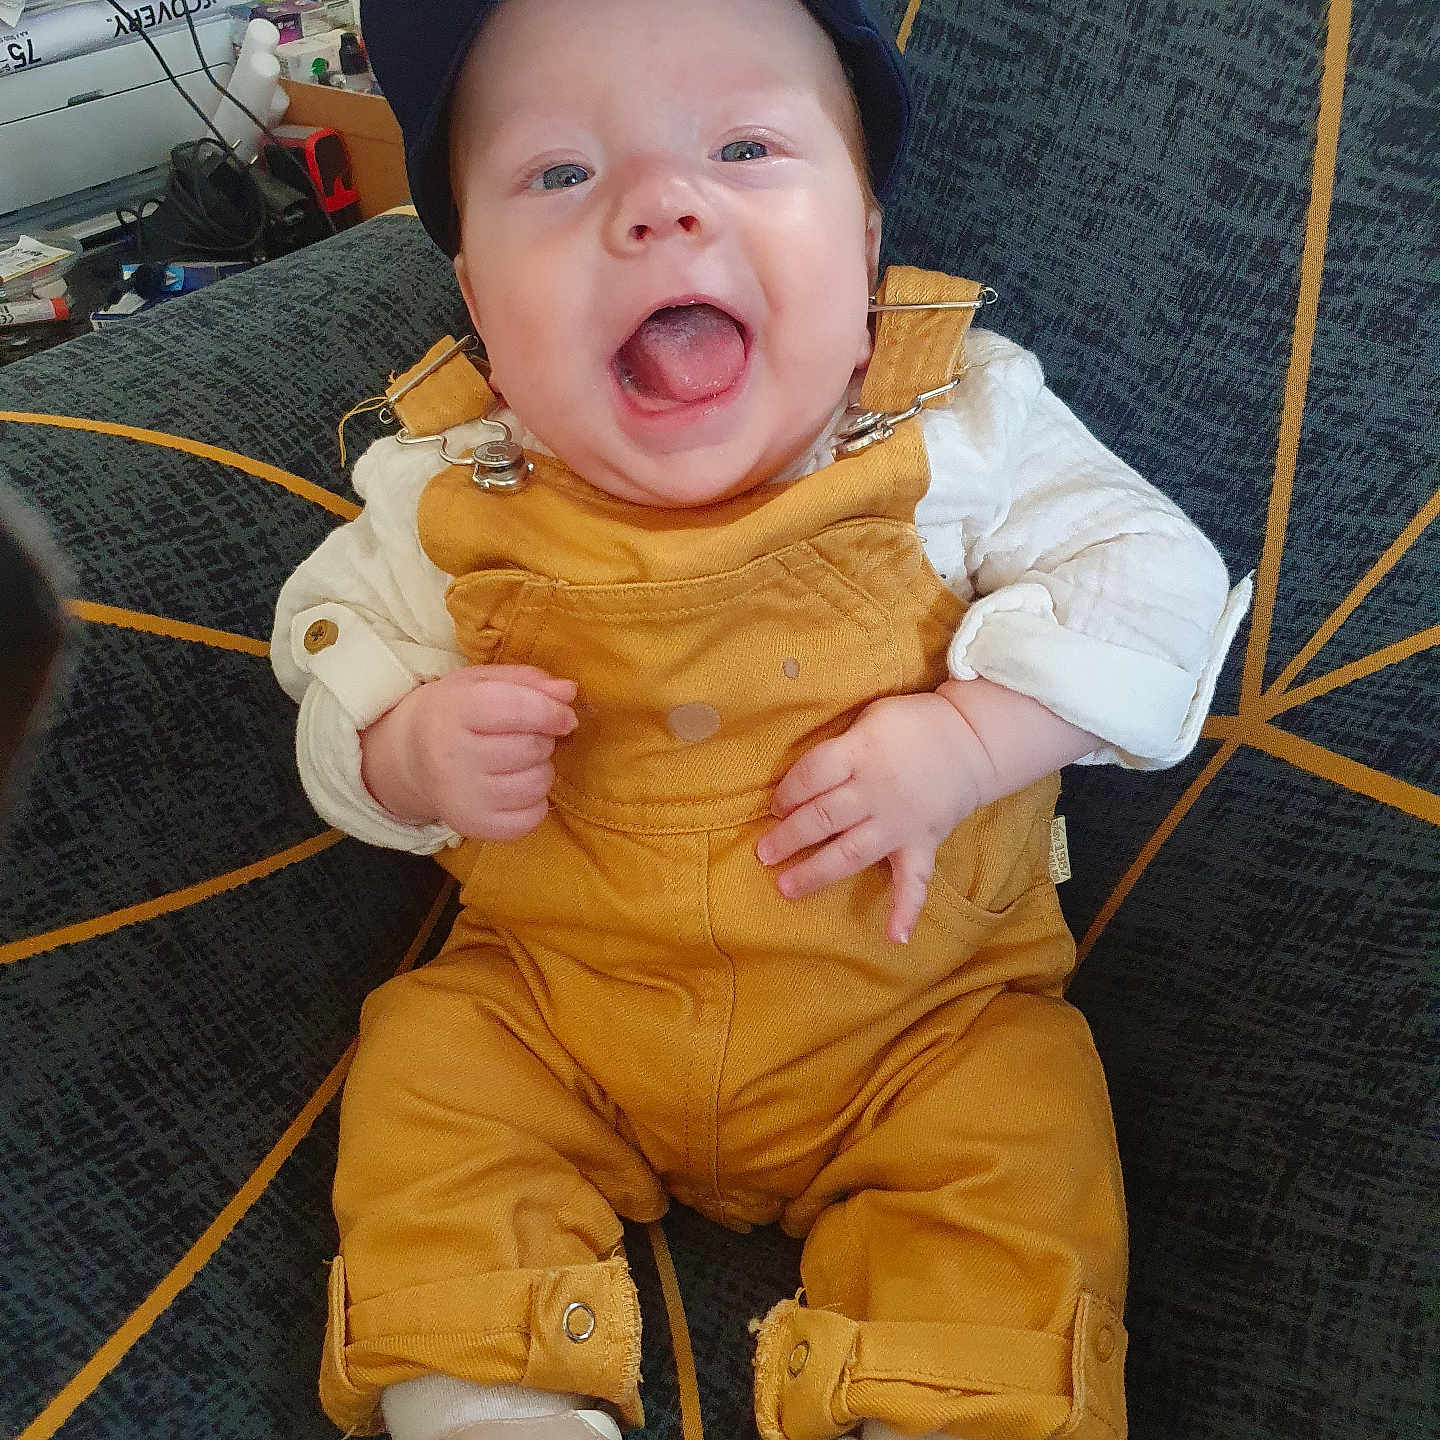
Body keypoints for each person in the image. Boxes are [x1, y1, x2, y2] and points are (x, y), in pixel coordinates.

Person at [271, 1, 1251, 1437]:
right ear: (478, 299)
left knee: (1027, 1132)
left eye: (743, 145)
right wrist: (400, 753)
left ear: (862, 244)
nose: (663, 207)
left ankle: (939, 1402)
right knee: (428, 1078)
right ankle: (490, 1398)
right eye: (560, 175)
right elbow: (326, 661)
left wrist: (972, 739)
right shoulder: (445, 493)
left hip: (923, 1024)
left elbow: (1159, 587)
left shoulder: (960, 430)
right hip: (558, 1018)